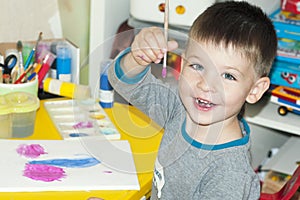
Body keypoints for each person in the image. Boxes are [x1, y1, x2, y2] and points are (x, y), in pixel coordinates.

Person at [90, 1, 277, 199]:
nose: (205, 85)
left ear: (255, 90)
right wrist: (138, 56)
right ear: (184, 61)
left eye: (228, 76)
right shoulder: (181, 109)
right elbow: (125, 81)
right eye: (197, 66)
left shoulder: (229, 175)